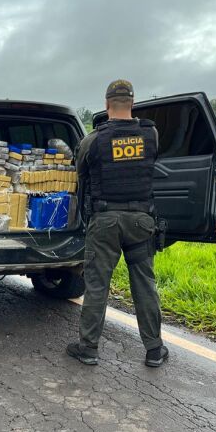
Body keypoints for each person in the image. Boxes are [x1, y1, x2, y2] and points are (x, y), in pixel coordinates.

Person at [68, 79, 169, 367]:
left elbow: (81, 173)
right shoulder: (152, 135)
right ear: (133, 103)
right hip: (141, 221)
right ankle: (154, 349)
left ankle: (88, 348)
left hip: (105, 222)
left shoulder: (93, 140)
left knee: (98, 285)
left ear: (106, 104)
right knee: (145, 285)